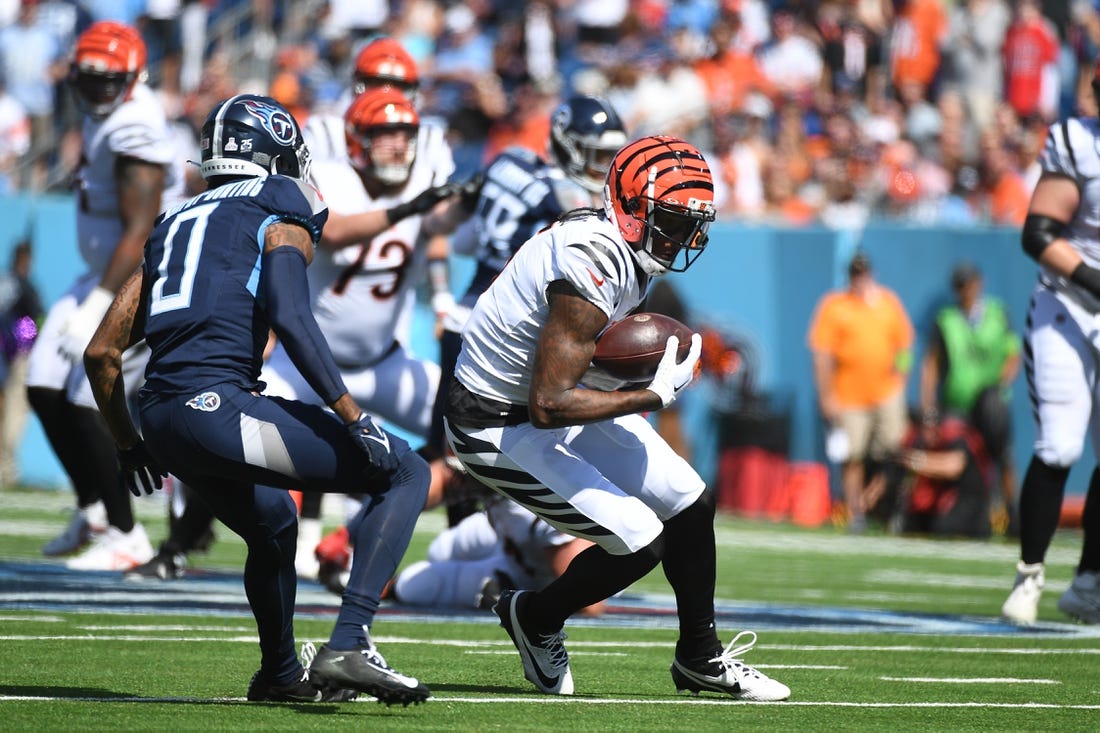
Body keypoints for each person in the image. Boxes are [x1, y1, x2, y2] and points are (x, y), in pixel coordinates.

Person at [83, 93, 432, 704]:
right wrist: (352, 415)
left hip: (160, 420)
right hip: (216, 408)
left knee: (273, 520)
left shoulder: (175, 221)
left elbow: (102, 352)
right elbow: (293, 316)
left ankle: (278, 675)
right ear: (276, 151)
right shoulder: (280, 202)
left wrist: (129, 443)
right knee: (405, 470)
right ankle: (350, 641)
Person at [443, 134, 790, 701]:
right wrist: (650, 397)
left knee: (690, 501)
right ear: (631, 208)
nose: (686, 237)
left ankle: (700, 657)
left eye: (693, 223)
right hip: (494, 424)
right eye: (674, 220)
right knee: (639, 541)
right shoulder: (593, 260)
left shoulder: (619, 247)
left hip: (548, 399)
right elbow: (548, 404)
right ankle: (535, 616)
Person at [261, 85, 466, 579]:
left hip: (383, 362)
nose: (399, 146)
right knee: (245, 434)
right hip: (306, 362)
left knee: (470, 426)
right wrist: (408, 209)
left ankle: (465, 540)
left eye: (405, 134)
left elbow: (442, 223)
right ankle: (186, 538)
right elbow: (332, 231)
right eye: (385, 135)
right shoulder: (329, 176)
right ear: (356, 140)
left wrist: (473, 197)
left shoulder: (422, 180)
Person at [427, 94, 628, 517]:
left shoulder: (508, 161)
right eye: (597, 154)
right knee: (472, 466)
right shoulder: (567, 192)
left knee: (455, 459)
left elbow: (447, 228)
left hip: (467, 318)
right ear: (566, 145)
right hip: (503, 334)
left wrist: (442, 293)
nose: (603, 165)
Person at [29, 21, 184, 569]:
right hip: (98, 273)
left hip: (137, 279)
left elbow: (140, 227)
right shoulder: (109, 115)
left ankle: (125, 533)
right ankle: (95, 509)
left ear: (135, 77)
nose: (97, 90)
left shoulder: (135, 124)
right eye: (89, 80)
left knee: (85, 401)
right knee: (42, 387)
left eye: (108, 81)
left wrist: (100, 303)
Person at [999, 62, 1100, 625]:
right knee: (1060, 445)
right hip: (1070, 303)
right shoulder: (1079, 142)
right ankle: (1030, 574)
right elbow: (1038, 232)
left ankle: (1089, 579)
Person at [808, 251, 915, 533]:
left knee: (895, 452)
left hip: (885, 391)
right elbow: (822, 355)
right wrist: (827, 394)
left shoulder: (888, 302)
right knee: (852, 456)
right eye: (856, 274)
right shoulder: (835, 306)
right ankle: (856, 512)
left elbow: (904, 347)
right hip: (849, 394)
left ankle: (886, 507)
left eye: (864, 274)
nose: (860, 280)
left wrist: (901, 379)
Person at [918, 261, 1021, 535]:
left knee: (1003, 456)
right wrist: (928, 408)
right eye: (961, 285)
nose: (967, 290)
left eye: (970, 283)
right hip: (958, 404)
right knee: (960, 461)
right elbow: (930, 365)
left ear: (979, 283)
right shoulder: (947, 320)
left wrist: (999, 386)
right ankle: (968, 515)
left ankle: (1014, 515)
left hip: (990, 401)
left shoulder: (998, 314)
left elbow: (1013, 354)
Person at [390, 491, 607, 617]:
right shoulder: (500, 483)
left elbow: (590, 603)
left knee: (417, 584)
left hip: (535, 573)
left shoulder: (539, 506)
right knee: (441, 548)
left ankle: (509, 591)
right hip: (511, 539)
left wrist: (535, 603)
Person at [868, 410, 994, 538]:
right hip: (932, 507)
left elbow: (954, 467)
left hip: (968, 505)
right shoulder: (916, 441)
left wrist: (918, 461)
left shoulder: (956, 438)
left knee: (946, 527)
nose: (929, 434)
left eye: (933, 428)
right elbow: (893, 467)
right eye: (925, 429)